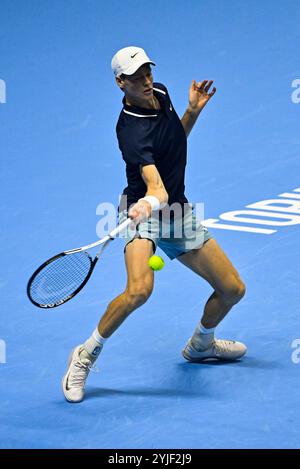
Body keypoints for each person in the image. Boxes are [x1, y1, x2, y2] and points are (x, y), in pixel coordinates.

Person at [62, 46, 247, 403]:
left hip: (176, 211)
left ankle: (201, 345)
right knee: (139, 291)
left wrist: (191, 112)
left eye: (148, 71)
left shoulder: (160, 92)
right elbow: (156, 188)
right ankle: (83, 356)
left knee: (233, 290)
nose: (146, 80)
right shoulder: (130, 132)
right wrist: (147, 203)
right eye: (136, 77)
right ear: (120, 83)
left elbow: (174, 143)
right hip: (142, 214)